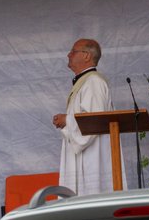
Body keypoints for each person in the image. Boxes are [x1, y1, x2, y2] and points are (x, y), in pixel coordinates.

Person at [52, 38, 126, 195]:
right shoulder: (86, 81)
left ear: (86, 56)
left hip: (92, 158)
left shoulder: (93, 82)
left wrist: (67, 120)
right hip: (86, 153)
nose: (68, 55)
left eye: (73, 51)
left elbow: (94, 120)